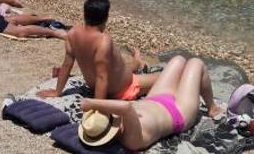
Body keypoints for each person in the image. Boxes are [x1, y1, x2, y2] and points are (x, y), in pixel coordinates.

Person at [78, 56, 223, 151]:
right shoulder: (130, 140)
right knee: (196, 63)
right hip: (179, 112)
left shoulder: (114, 121)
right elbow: (126, 107)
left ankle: (185, 85)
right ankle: (212, 107)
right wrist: (92, 103)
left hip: (155, 99)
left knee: (178, 60)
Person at [39, 0, 157, 101]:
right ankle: (138, 63)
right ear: (106, 17)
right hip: (123, 88)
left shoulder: (72, 34)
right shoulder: (103, 41)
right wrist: (97, 108)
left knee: (125, 65)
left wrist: (57, 91)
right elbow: (102, 77)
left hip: (105, 82)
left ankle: (137, 62)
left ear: (84, 15)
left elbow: (66, 65)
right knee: (166, 76)